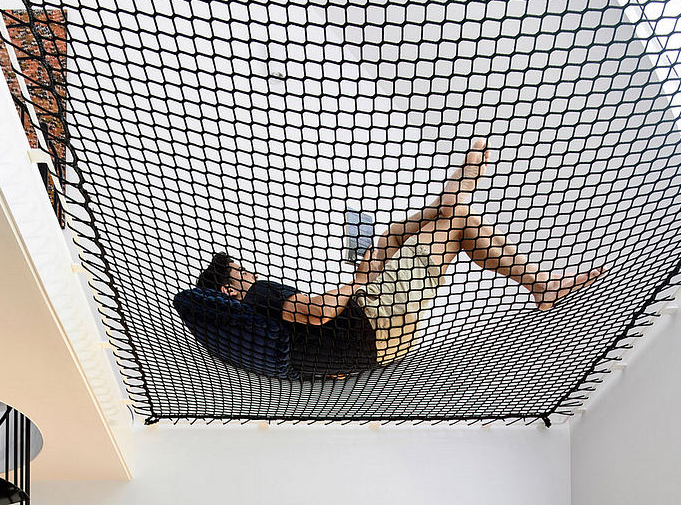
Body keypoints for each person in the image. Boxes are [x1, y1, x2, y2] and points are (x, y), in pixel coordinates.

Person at [190, 140, 604, 374]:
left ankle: (444, 202)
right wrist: (355, 283)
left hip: (375, 344)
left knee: (391, 238)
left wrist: (362, 278)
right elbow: (316, 312)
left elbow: (316, 345)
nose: (251, 270)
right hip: (373, 320)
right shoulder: (256, 296)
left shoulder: (250, 328)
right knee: (457, 221)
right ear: (230, 285)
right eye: (241, 271)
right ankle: (471, 180)